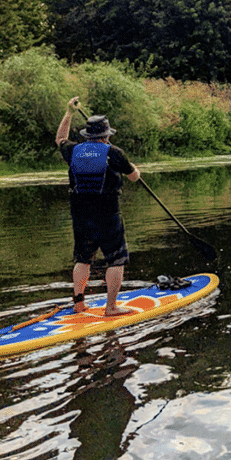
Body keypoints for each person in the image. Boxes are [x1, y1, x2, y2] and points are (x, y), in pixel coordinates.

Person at [56, 96, 141, 316]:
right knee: (116, 258)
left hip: (80, 214)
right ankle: (111, 307)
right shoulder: (113, 153)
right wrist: (136, 169)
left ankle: (79, 304)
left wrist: (69, 112)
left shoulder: (73, 150)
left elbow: (60, 138)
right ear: (106, 135)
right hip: (108, 214)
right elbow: (133, 176)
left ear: (87, 135)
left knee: (83, 258)